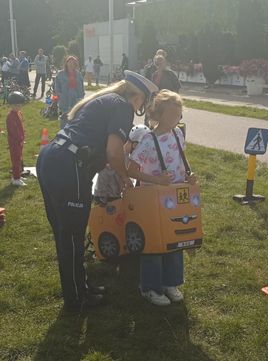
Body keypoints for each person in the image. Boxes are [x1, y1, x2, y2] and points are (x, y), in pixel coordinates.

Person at [36, 70, 158, 312]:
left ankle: (79, 287)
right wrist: (125, 178)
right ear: (140, 97)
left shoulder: (104, 100)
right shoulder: (123, 107)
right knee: (72, 236)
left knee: (64, 233)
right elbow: (114, 152)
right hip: (70, 165)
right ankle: (76, 299)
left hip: (52, 157)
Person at [128, 90, 197, 306]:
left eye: (179, 115)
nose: (177, 119)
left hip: (176, 196)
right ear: (158, 114)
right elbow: (131, 170)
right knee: (155, 240)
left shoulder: (177, 134)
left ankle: (170, 282)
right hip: (153, 197)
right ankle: (149, 286)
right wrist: (156, 180)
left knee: (175, 237)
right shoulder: (148, 140)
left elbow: (180, 159)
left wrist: (189, 175)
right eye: (172, 114)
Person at [94, 124, 150, 205]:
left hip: (115, 197)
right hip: (105, 198)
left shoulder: (128, 157)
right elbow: (105, 175)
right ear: (135, 144)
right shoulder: (118, 155)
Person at [55, 55, 85, 129]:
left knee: (75, 114)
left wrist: (82, 96)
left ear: (75, 64)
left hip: (76, 96)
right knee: (65, 115)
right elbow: (56, 84)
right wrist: (59, 94)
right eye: (69, 62)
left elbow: (81, 85)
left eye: (73, 62)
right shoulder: (61, 74)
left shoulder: (78, 74)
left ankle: (73, 131)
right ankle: (63, 131)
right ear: (66, 63)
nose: (71, 64)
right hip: (65, 97)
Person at [6, 91, 27, 186]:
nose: (19, 107)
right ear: (11, 105)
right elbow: (14, 131)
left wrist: (22, 138)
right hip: (15, 142)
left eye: (20, 105)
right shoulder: (10, 116)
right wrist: (19, 139)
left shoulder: (19, 113)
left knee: (19, 158)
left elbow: (21, 126)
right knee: (16, 159)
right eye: (17, 105)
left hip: (19, 141)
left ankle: (17, 174)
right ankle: (16, 179)